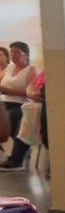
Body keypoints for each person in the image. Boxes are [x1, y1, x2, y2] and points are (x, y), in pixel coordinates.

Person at [0, 41, 39, 171]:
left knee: (12, 117)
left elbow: (31, 90)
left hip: (22, 104)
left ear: (26, 55)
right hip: (5, 102)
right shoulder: (9, 68)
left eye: (17, 52)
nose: (13, 55)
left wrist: (9, 91)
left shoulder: (32, 69)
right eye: (11, 52)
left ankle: (17, 158)